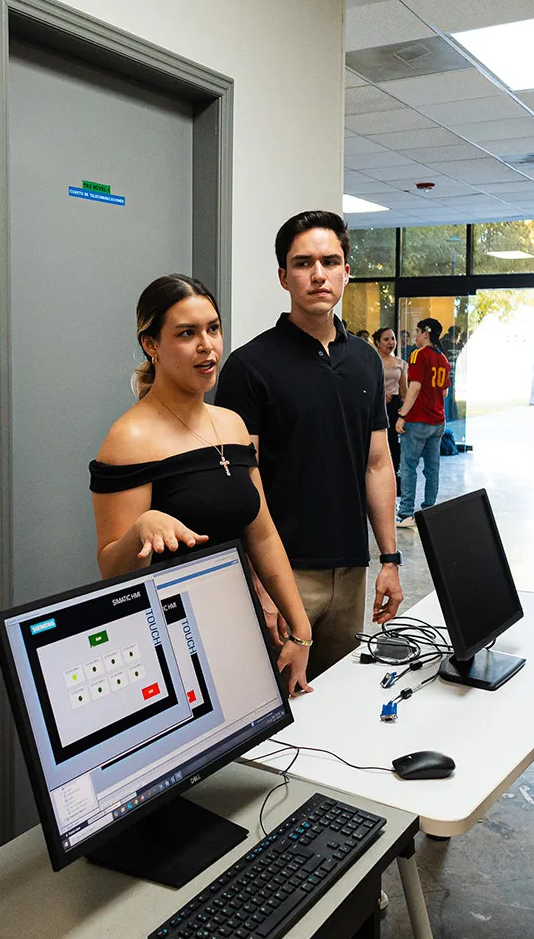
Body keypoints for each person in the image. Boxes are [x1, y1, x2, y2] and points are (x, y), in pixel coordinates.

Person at [90, 275, 315, 695]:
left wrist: (300, 628)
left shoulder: (232, 424)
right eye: (186, 333)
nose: (206, 345)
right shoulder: (130, 439)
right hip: (169, 638)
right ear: (151, 344)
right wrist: (142, 528)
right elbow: (111, 571)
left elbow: (263, 535)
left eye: (213, 329)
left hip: (238, 622)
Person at [216, 211, 403, 680]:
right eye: (302, 263)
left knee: (334, 702)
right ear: (283, 276)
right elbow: (243, 483)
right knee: (279, 709)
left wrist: (389, 559)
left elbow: (377, 464)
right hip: (285, 574)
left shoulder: (364, 360)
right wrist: (258, 583)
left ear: (346, 272)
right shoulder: (250, 366)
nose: (318, 274)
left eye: (329, 261)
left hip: (351, 570)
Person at [395, 317, 452, 526]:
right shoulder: (443, 359)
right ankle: (430, 509)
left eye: (417, 332)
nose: (416, 336)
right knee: (432, 467)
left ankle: (406, 514)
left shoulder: (419, 355)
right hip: (438, 422)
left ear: (425, 334)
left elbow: (415, 387)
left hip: (419, 420)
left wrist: (402, 415)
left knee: (409, 466)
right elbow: (444, 392)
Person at [374, 327, 404, 479]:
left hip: (394, 405)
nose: (391, 342)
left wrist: (404, 413)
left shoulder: (400, 363)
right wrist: (380, 394)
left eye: (393, 338)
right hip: (375, 404)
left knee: (393, 441)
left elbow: (404, 390)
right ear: (378, 342)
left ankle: (393, 475)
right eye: (386, 339)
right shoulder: (371, 360)